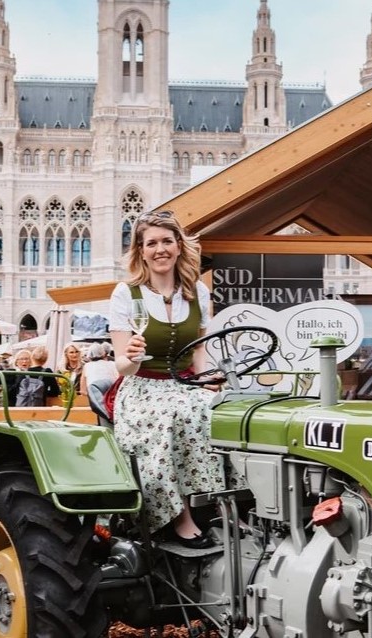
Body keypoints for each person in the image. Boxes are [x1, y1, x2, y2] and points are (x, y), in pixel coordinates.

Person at [109, 210, 224, 549]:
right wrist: (129, 355)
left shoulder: (196, 292)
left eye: (166, 241)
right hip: (142, 386)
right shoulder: (126, 294)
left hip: (185, 384)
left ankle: (225, 504)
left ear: (178, 246)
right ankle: (179, 517)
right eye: (151, 243)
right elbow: (121, 366)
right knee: (173, 418)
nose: (160, 249)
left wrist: (208, 379)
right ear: (140, 251)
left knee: (223, 414)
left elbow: (199, 354)